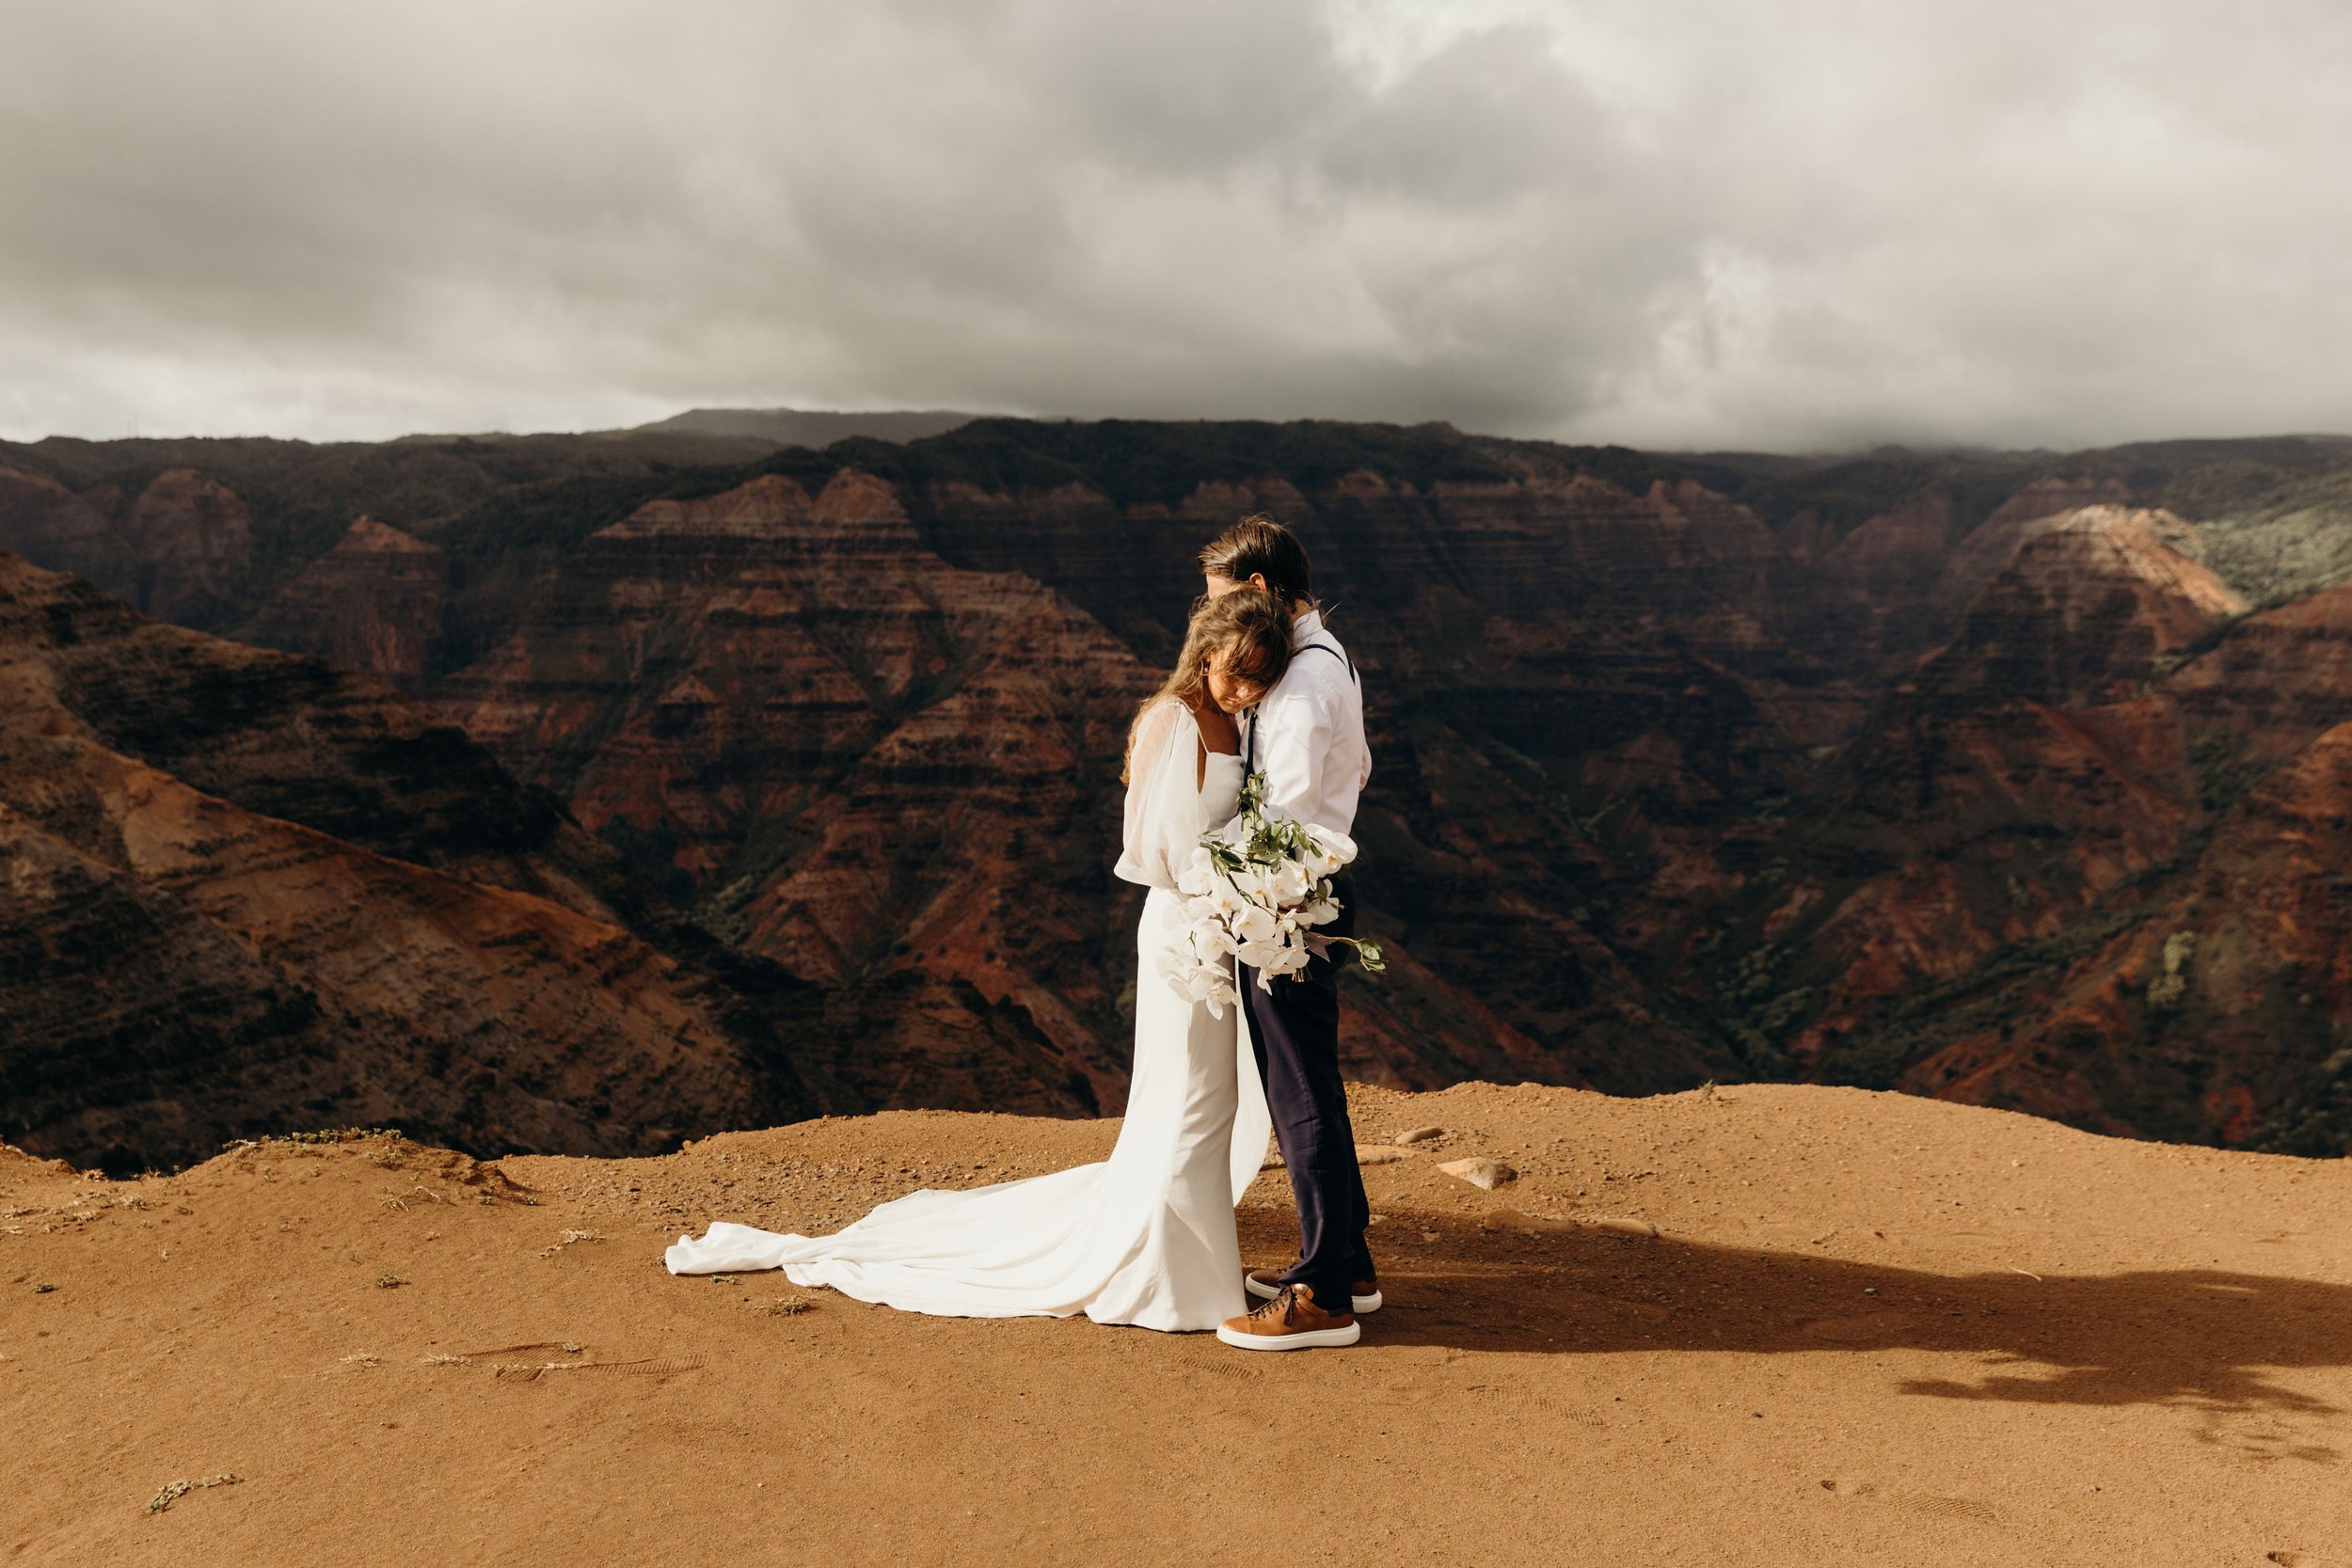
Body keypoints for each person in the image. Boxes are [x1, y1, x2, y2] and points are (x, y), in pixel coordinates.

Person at [662, 589, 1292, 1331]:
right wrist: (1225, 885)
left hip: (1223, 926)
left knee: (1210, 1100)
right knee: (1188, 1098)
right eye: (1238, 673)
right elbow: (1150, 848)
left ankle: (1195, 1268)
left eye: (1260, 678)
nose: (1247, 689)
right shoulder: (1170, 719)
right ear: (1209, 651)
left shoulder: (1237, 720)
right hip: (1185, 933)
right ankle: (1175, 1281)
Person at [1199, 515, 1378, 1353]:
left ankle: (1322, 1294)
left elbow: (1288, 816)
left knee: (1300, 1093)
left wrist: (1232, 887)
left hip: (1288, 904)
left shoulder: (1304, 684)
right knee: (1311, 1087)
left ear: (1263, 589)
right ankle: (1350, 1260)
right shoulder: (1320, 658)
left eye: (1225, 600)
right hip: (1300, 896)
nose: (1219, 622)